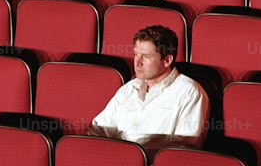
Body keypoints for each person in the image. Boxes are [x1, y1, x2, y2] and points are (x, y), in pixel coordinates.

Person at [88, 25, 209, 153]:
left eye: (146, 56)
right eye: (136, 54)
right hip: (114, 161)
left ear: (167, 60)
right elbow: (98, 130)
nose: (137, 62)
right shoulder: (129, 88)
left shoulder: (189, 92)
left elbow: (182, 150)